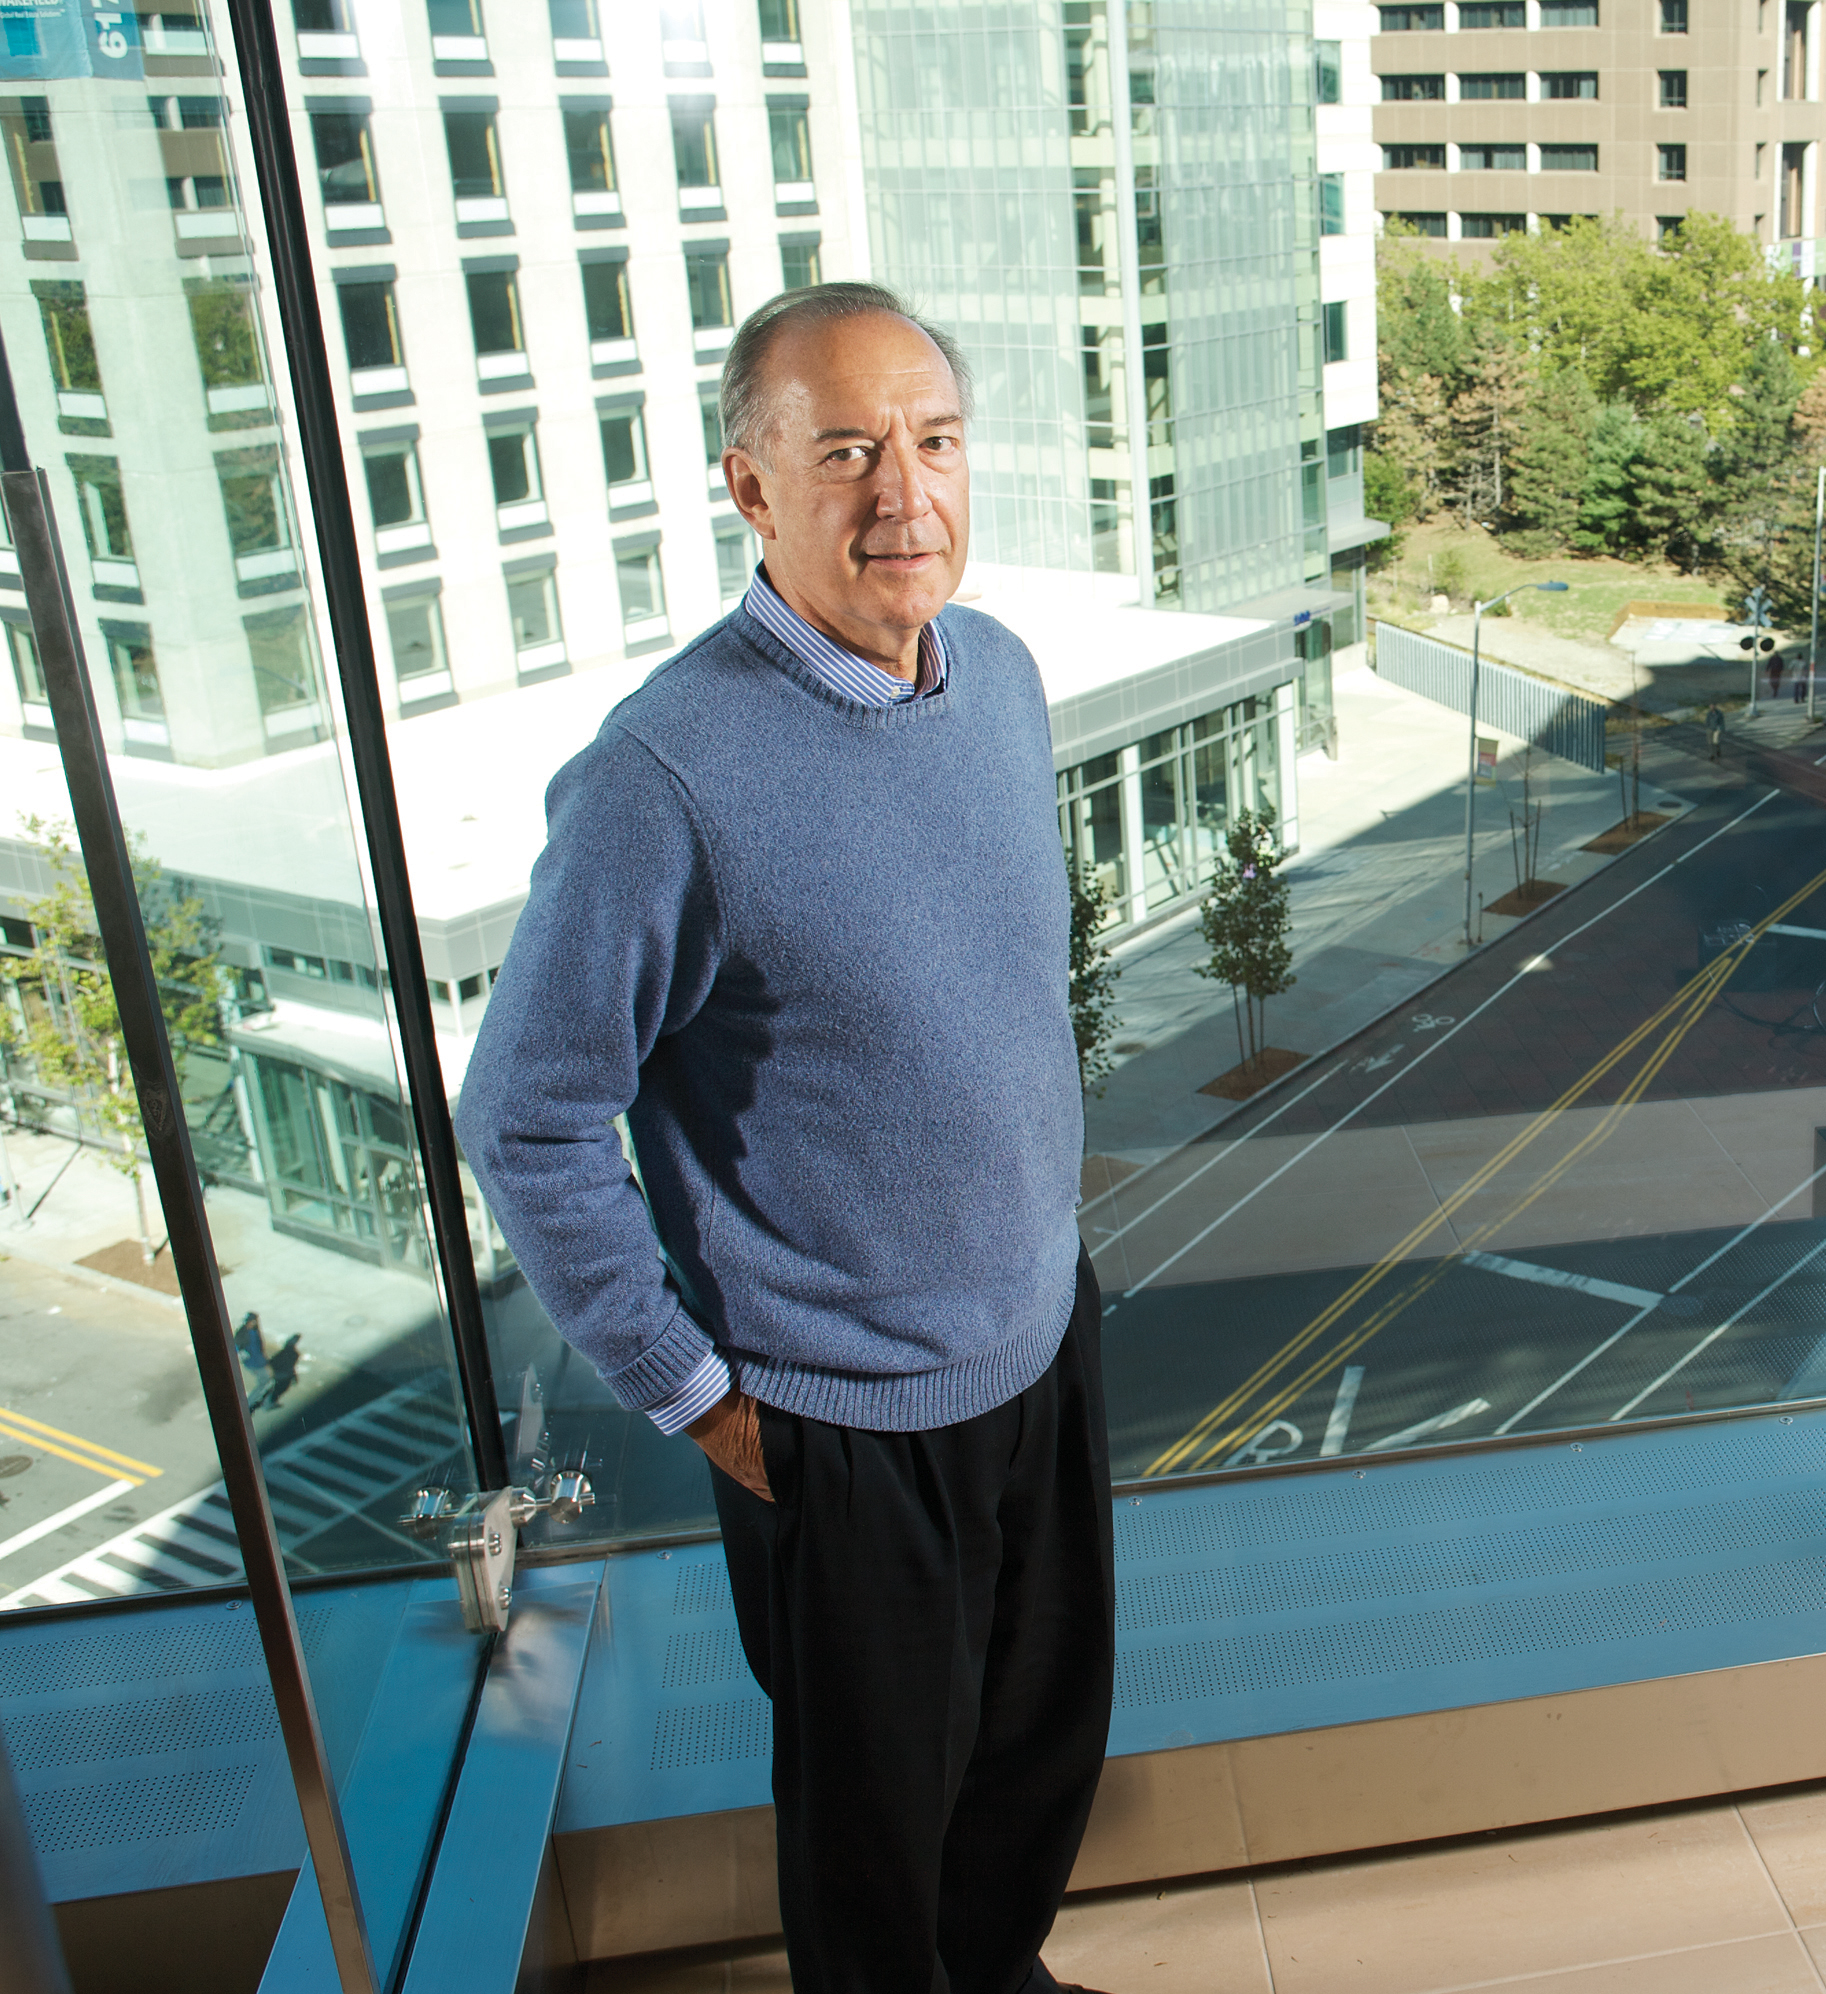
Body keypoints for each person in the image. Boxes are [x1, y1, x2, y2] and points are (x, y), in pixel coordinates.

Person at [455, 283, 1112, 1994]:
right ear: (753, 491)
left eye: (934, 441)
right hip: (836, 1417)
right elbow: (521, 1117)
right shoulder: (664, 777)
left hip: (1040, 1338)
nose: (904, 493)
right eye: (845, 454)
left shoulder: (1007, 676)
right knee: (874, 1838)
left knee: (1038, 1752)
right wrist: (696, 1391)